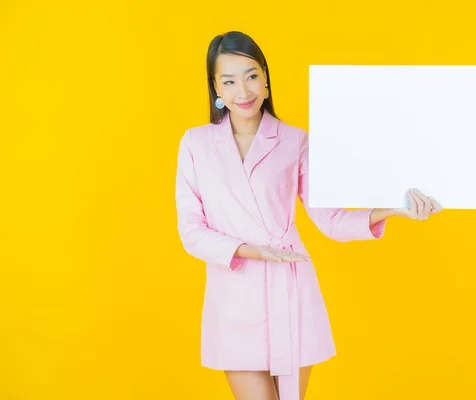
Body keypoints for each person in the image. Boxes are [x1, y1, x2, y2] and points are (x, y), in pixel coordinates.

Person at [175, 31, 443, 400]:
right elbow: (191, 230)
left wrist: (396, 208)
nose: (243, 90)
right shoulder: (196, 144)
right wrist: (252, 251)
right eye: (229, 81)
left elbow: (330, 220)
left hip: (291, 289)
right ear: (216, 88)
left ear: (266, 81)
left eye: (252, 76)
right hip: (234, 298)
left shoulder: (294, 140)